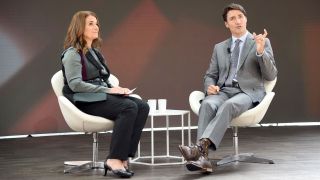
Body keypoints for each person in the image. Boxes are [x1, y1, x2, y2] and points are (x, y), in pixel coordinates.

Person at [178, 3, 277, 173]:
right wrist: (210, 86)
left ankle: (198, 150)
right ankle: (203, 160)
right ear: (226, 24)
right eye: (233, 18)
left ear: (245, 19)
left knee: (228, 105)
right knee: (207, 104)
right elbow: (210, 74)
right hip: (223, 91)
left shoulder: (261, 42)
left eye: (240, 17)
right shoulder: (220, 47)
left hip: (247, 93)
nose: (238, 21)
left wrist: (261, 52)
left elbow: (271, 75)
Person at [61, 11, 149, 178]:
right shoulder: (72, 53)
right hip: (83, 100)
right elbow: (76, 84)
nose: (96, 27)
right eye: (91, 24)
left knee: (143, 106)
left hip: (98, 96)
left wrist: (117, 88)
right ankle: (114, 159)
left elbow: (103, 78)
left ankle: (124, 158)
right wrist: (109, 90)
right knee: (128, 107)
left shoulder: (94, 51)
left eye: (97, 23)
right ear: (79, 28)